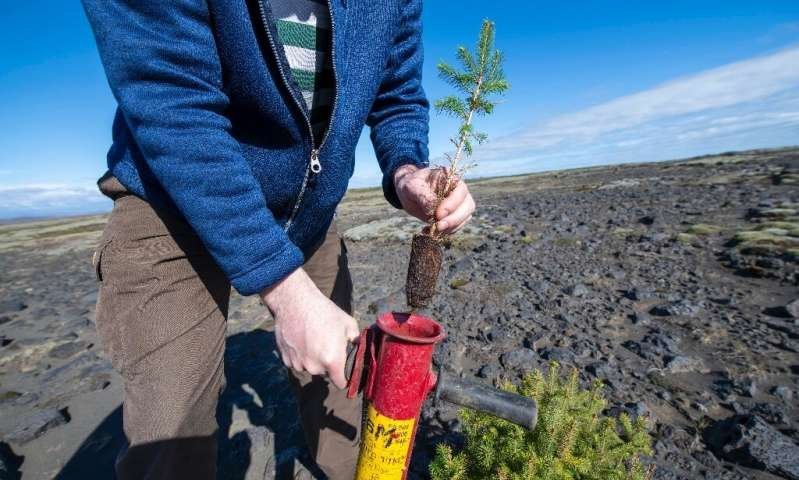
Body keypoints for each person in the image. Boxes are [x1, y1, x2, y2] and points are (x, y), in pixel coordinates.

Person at [82, 0, 475, 478]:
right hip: (171, 200)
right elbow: (171, 102)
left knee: (339, 374)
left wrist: (408, 169)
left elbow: (398, 95)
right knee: (171, 422)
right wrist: (285, 290)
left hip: (308, 211)